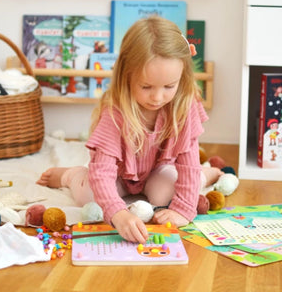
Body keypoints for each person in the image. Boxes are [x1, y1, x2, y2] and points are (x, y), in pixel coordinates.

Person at [37, 15, 222, 244]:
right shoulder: (115, 111)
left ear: (181, 78)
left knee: (167, 193)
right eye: (146, 87)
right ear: (126, 76)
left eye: (169, 86)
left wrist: (184, 209)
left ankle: (207, 174)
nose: (157, 97)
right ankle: (71, 174)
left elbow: (187, 163)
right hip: (118, 173)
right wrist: (118, 213)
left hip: (157, 169)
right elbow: (103, 173)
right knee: (89, 195)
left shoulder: (184, 104)